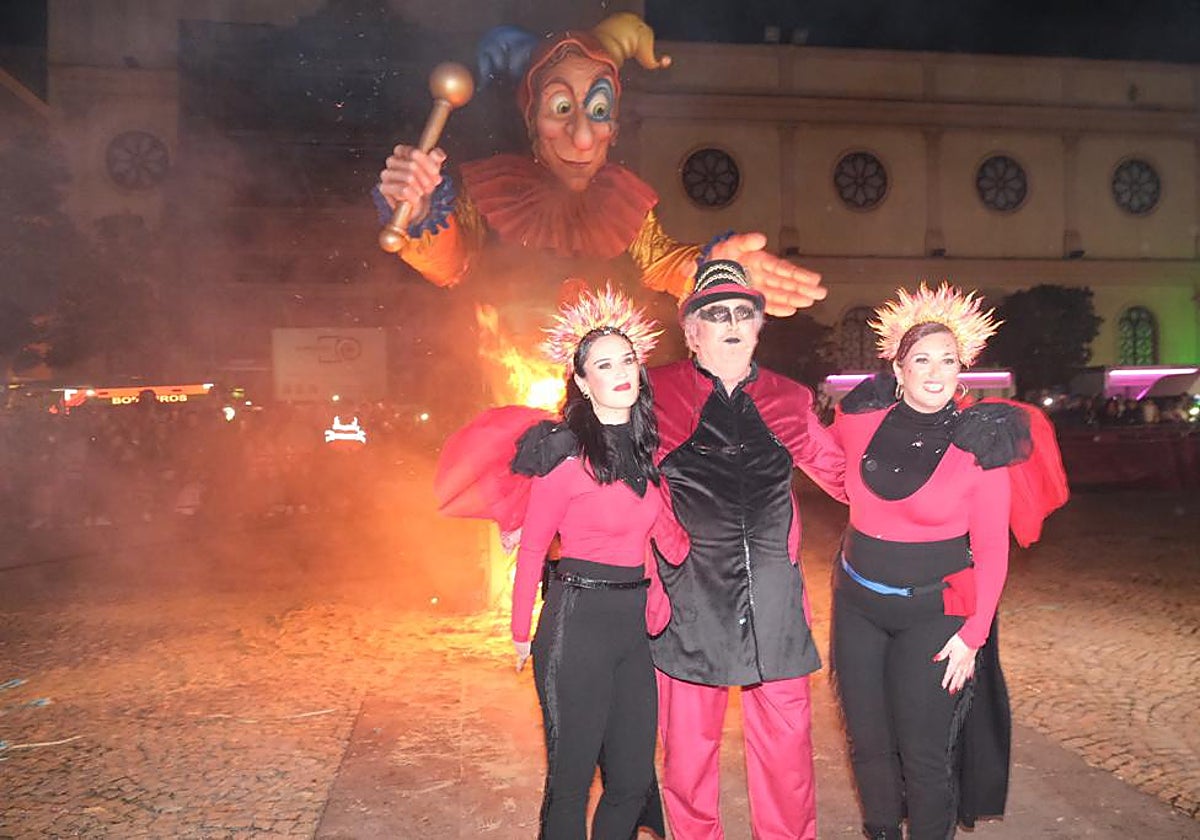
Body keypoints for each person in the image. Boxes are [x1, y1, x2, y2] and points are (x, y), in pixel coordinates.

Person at [374, 12, 826, 334]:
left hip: (605, 411)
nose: (582, 137)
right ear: (532, 121)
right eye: (561, 109)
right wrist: (421, 211)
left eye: (598, 110)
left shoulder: (622, 204)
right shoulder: (493, 192)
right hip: (503, 403)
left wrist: (718, 273)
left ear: (614, 126)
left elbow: (666, 265)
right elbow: (450, 265)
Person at [439, 286, 682, 839]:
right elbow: (532, 548)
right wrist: (519, 631)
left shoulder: (649, 454)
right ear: (582, 382)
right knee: (571, 783)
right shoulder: (565, 457)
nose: (620, 372)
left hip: (631, 631)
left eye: (627, 361)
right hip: (576, 623)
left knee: (631, 780)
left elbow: (660, 539)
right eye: (604, 364)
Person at [828, 283, 1068, 840]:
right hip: (857, 605)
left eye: (948, 360)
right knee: (868, 743)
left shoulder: (979, 442)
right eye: (922, 359)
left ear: (962, 369)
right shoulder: (860, 422)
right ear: (898, 367)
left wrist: (973, 635)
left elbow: (992, 549)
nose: (935, 372)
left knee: (923, 752)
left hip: (934, 616)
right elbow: (816, 458)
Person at [645, 259, 847, 840]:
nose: (731, 322)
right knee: (688, 756)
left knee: (788, 751)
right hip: (691, 599)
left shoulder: (788, 398)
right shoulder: (655, 394)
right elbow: (605, 471)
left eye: (742, 313)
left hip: (774, 601)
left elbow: (846, 477)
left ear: (759, 328)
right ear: (692, 332)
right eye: (716, 314)